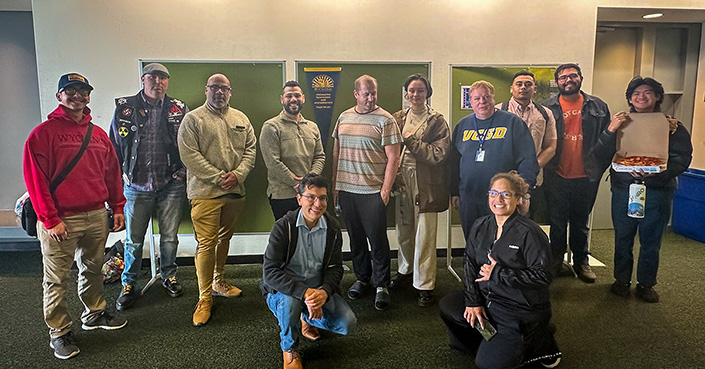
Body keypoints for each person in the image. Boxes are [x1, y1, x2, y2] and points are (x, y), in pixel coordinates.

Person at [23, 73, 127, 359]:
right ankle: (59, 331)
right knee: (57, 279)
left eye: (83, 91)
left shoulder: (98, 135)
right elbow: (36, 182)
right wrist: (50, 218)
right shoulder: (42, 134)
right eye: (71, 91)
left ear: (88, 96)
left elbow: (112, 173)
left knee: (93, 268)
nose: (78, 96)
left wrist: (117, 206)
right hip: (61, 220)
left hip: (95, 214)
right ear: (59, 96)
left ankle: (94, 313)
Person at [439, 171, 561, 369]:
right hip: (489, 299)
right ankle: (487, 346)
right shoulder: (481, 225)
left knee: (487, 365)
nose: (499, 199)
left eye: (506, 194)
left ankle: (539, 339)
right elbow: (469, 261)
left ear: (518, 199)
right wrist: (473, 301)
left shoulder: (530, 233)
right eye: (494, 193)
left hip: (518, 310)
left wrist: (499, 274)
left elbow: (544, 276)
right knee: (449, 307)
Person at [178, 73, 257, 326]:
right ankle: (204, 298)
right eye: (215, 87)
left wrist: (239, 174)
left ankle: (219, 282)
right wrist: (217, 177)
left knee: (225, 238)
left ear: (230, 92)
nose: (219, 92)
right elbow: (188, 154)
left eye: (224, 88)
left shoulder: (241, 118)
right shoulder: (193, 119)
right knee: (206, 243)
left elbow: (250, 150)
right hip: (205, 194)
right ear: (206, 90)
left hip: (235, 191)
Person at [110, 63, 189, 310]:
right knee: (133, 240)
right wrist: (118, 177)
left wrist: (183, 173)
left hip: (171, 183)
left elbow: (190, 143)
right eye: (153, 77)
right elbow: (113, 145)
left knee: (169, 238)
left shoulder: (179, 108)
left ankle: (169, 275)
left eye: (163, 78)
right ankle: (129, 284)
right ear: (143, 80)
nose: (159, 82)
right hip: (136, 184)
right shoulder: (125, 108)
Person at [608, 76, 692, 303]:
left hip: (657, 191)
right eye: (636, 93)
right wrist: (610, 131)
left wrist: (658, 172)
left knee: (651, 239)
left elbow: (682, 158)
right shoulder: (620, 122)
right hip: (624, 189)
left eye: (647, 92)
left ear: (657, 97)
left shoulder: (671, 126)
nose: (641, 97)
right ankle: (621, 280)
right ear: (629, 98)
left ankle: (646, 283)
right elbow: (604, 151)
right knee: (623, 237)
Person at [261, 174, 357, 369]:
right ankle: (289, 349)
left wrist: (323, 292)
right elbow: (269, 273)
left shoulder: (333, 228)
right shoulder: (283, 227)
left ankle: (304, 317)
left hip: (317, 288)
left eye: (322, 198)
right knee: (290, 304)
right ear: (299, 199)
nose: (317, 203)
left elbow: (335, 268)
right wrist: (305, 294)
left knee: (347, 323)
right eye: (311, 197)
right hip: (287, 291)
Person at [541, 63, 621, 283]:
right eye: (563, 77)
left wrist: (598, 166)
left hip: (586, 176)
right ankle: (556, 261)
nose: (568, 80)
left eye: (572, 75)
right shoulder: (547, 107)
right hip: (555, 174)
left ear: (580, 78)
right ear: (557, 82)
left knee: (580, 223)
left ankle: (581, 262)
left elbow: (609, 139)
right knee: (556, 223)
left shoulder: (598, 106)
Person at [331, 74, 402, 311]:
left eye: (373, 93)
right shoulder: (343, 117)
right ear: (356, 94)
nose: (370, 98)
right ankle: (362, 278)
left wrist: (385, 191)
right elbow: (336, 153)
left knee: (378, 239)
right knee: (356, 238)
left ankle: (381, 284)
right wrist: (335, 186)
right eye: (366, 94)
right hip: (347, 190)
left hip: (373, 191)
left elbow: (394, 158)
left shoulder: (386, 120)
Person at [388, 74, 450, 307]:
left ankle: (424, 283)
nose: (416, 95)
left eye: (421, 90)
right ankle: (405, 271)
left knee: (425, 235)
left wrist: (411, 141)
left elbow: (439, 154)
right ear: (406, 93)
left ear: (428, 93)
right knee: (404, 230)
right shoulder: (397, 118)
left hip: (426, 184)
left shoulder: (437, 121)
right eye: (412, 90)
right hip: (402, 181)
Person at [450, 80, 539, 238]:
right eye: (477, 98)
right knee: (473, 239)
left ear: (493, 98)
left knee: (503, 240)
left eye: (486, 97)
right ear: (470, 101)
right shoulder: (463, 125)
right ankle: (474, 264)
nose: (482, 102)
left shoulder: (512, 123)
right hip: (470, 196)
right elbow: (454, 161)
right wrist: (454, 191)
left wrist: (525, 193)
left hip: (503, 197)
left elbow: (528, 160)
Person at [496, 71, 557, 222]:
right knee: (502, 222)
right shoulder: (497, 111)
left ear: (535, 89)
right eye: (519, 84)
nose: (523, 87)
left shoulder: (545, 113)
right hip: (503, 180)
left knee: (529, 223)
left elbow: (550, 146)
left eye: (528, 84)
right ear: (511, 88)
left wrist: (531, 167)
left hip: (534, 180)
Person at [260, 80, 325, 220]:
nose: (293, 99)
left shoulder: (312, 127)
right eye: (289, 96)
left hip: (310, 195)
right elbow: (272, 162)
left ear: (303, 98)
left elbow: (320, 157)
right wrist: (296, 184)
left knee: (309, 237)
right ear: (282, 99)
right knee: (288, 238)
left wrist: (308, 182)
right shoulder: (271, 127)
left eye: (297, 95)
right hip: (283, 196)